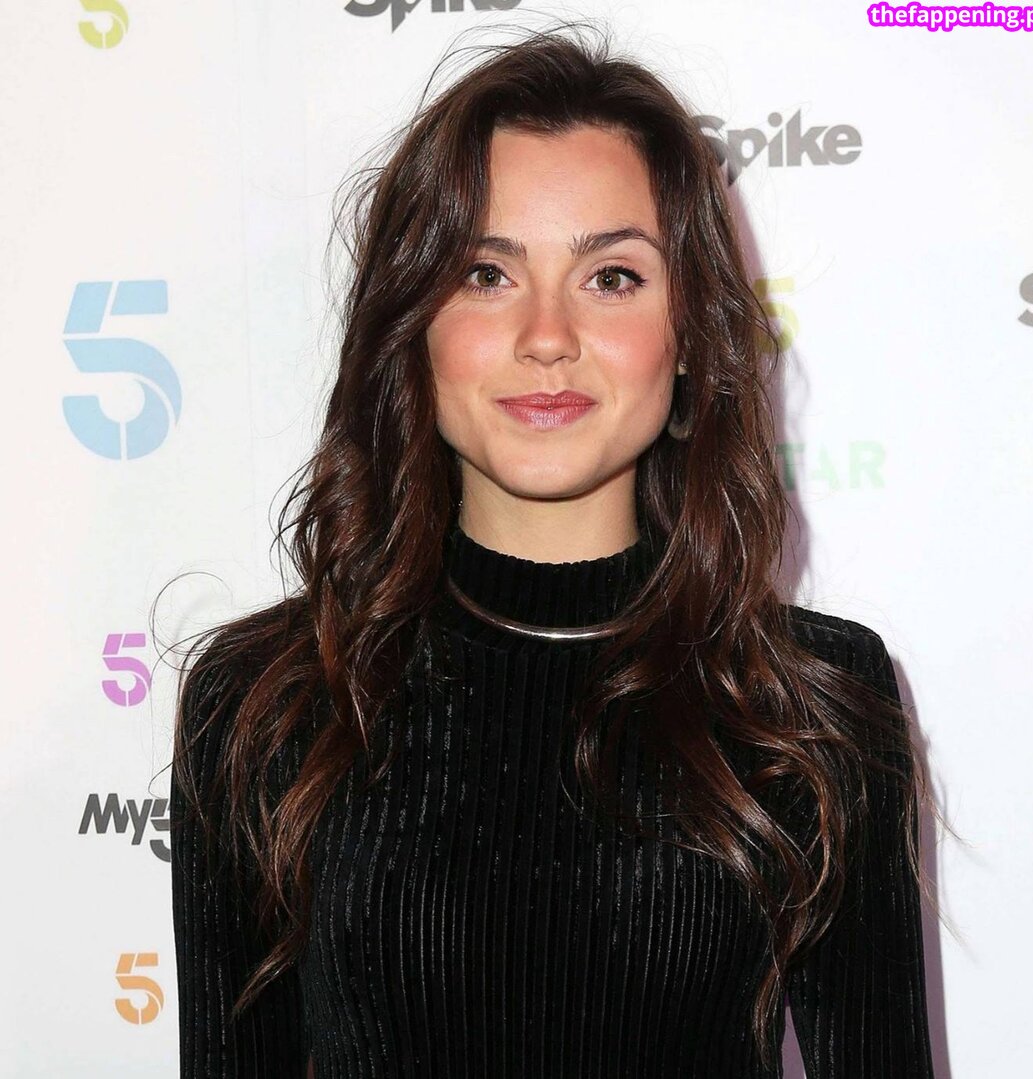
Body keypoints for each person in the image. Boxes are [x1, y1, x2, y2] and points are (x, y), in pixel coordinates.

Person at [170, 22, 938, 1078]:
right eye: (486, 272)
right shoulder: (267, 700)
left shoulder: (810, 702)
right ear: (413, 325)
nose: (546, 335)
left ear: (690, 335)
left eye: (611, 277)